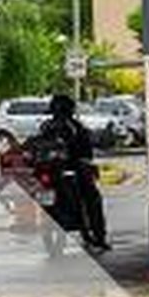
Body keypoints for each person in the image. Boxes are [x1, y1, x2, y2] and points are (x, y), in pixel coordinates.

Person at [30, 91, 107, 257]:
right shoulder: (76, 128)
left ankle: (93, 234)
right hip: (68, 171)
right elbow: (87, 153)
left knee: (88, 196)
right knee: (92, 198)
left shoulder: (46, 127)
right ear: (70, 109)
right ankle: (98, 236)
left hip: (50, 173)